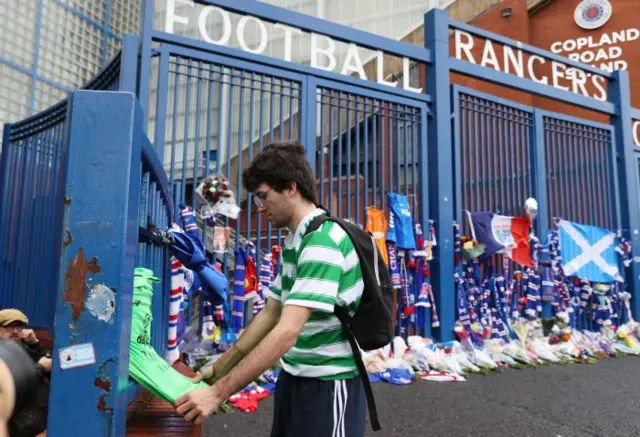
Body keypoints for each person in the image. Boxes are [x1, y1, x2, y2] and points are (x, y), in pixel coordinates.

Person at [175, 140, 366, 437]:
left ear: (291, 188)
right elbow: (271, 313)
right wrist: (221, 366)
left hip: (328, 384)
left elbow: (286, 332)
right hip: (296, 377)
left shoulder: (322, 243)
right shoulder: (295, 240)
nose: (260, 208)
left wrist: (217, 393)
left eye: (263, 197)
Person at [0, 309, 51, 437]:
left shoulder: (21, 346)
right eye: (10, 327)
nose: (16, 331)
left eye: (19, 327)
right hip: (18, 428)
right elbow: (12, 379)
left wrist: (35, 344)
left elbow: (37, 362)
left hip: (35, 424)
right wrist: (41, 367)